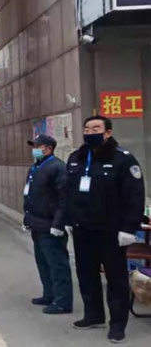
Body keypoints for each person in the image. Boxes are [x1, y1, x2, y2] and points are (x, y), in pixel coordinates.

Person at [65, 115, 145, 343]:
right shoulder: (76, 158)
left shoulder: (123, 159)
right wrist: (69, 219)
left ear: (108, 132)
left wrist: (129, 228)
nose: (90, 133)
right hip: (83, 229)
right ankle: (93, 315)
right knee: (86, 274)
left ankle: (117, 325)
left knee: (115, 279)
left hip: (112, 231)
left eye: (96, 129)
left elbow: (135, 196)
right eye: (87, 129)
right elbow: (69, 192)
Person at [23, 134, 73, 314]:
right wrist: (27, 219)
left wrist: (59, 224)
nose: (34, 149)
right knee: (43, 262)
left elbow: (64, 198)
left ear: (49, 148)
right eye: (34, 145)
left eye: (38, 146)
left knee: (57, 264)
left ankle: (63, 301)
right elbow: (29, 195)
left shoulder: (58, 167)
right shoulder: (36, 167)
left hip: (50, 225)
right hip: (37, 223)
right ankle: (49, 294)